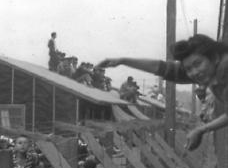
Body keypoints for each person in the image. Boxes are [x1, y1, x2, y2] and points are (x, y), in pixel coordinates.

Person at [97, 34, 228, 150]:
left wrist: (201, 129)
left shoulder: (224, 71)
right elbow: (164, 68)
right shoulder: (209, 69)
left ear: (215, 57)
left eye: (197, 64)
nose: (194, 73)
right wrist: (123, 61)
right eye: (188, 69)